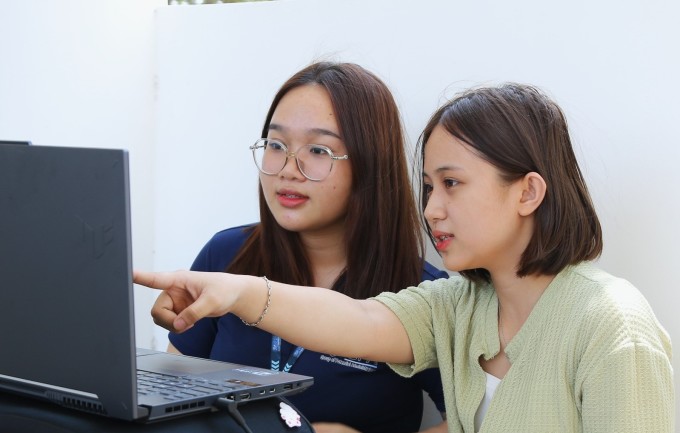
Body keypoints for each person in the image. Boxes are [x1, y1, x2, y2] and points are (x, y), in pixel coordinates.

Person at [137, 83, 674, 432]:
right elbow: (361, 317)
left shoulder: (610, 327)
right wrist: (237, 290)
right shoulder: (458, 304)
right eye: (427, 187)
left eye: (452, 185)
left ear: (528, 193)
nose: (432, 209)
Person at [162, 61, 448, 433]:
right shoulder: (227, 254)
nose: (288, 169)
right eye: (277, 144)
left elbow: (477, 421)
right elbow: (169, 395)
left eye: (318, 150)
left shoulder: (422, 294)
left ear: (370, 163)